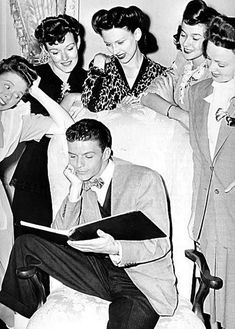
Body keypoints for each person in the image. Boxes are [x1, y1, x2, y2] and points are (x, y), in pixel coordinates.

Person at [0, 118, 177, 329]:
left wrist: (116, 247)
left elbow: (160, 243)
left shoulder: (145, 179)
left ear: (107, 153)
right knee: (26, 243)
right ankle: (18, 321)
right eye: (72, 156)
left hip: (138, 282)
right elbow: (58, 234)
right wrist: (74, 192)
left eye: (88, 156)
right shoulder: (81, 179)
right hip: (96, 269)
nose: (78, 164)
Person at [0, 55, 73, 326]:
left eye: (17, 94)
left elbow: (66, 126)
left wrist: (36, 92)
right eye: (6, 86)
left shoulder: (16, 121)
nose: (8, 97)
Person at [10, 14, 87, 230]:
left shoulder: (90, 80)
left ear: (78, 42)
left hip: (76, 172)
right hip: (36, 172)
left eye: (69, 48)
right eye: (55, 52)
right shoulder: (32, 79)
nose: (64, 57)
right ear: (45, 50)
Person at [187, 15, 235, 329]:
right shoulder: (197, 92)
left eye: (223, 63)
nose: (213, 69)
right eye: (211, 59)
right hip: (207, 211)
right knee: (211, 305)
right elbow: (200, 157)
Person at [140, 0, 218, 129]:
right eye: (183, 34)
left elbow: (201, 128)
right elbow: (146, 97)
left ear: (210, 40)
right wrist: (179, 114)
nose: (186, 43)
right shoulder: (182, 60)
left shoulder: (214, 71)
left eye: (195, 38)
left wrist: (168, 104)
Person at [81, 5, 166, 112]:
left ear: (137, 34)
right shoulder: (101, 67)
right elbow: (88, 104)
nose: (115, 50)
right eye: (108, 44)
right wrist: (97, 66)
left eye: (120, 42)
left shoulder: (160, 75)